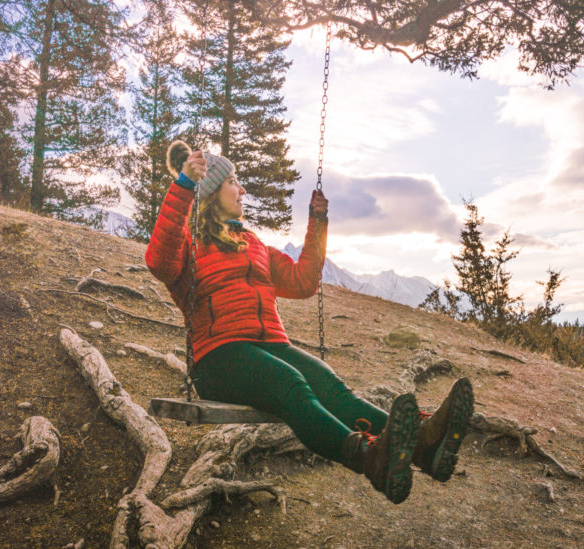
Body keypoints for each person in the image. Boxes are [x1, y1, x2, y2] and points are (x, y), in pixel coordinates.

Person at [145, 140, 474, 504]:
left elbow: (303, 282)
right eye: (232, 182)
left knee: (331, 387)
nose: (242, 189)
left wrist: (317, 223)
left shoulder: (254, 245)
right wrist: (184, 185)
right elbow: (158, 259)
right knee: (290, 382)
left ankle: (425, 446)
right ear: (210, 193)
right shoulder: (189, 246)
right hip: (219, 358)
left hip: (271, 345)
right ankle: (370, 459)